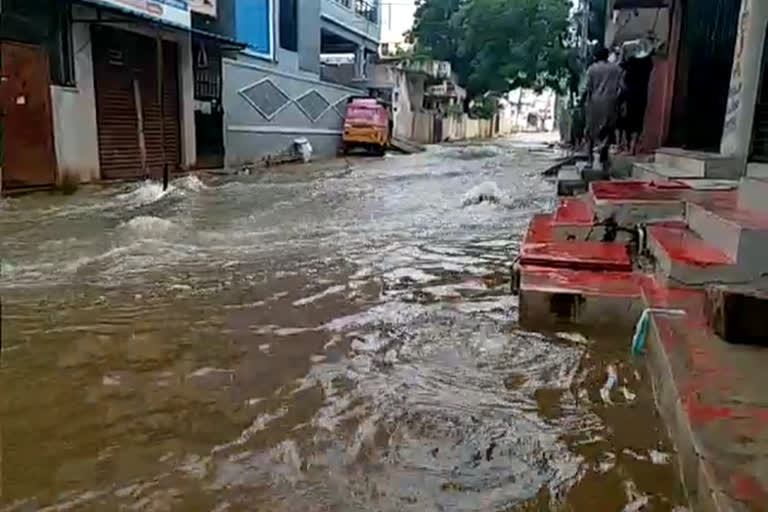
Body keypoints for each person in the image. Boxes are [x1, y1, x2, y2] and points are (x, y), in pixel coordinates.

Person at [584, 47, 624, 172]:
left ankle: (590, 160)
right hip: (611, 102)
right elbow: (622, 87)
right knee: (609, 130)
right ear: (607, 56)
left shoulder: (592, 69)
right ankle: (603, 158)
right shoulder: (617, 69)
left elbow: (587, 88)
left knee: (590, 132)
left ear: (595, 56)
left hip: (595, 102)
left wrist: (582, 101)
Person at [620, 48, 653, 155]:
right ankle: (633, 147)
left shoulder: (630, 69)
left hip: (630, 96)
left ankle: (629, 148)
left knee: (629, 121)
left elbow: (623, 80)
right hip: (642, 95)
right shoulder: (646, 67)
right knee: (638, 121)